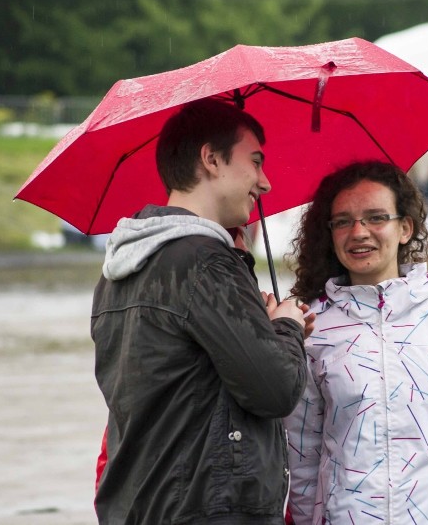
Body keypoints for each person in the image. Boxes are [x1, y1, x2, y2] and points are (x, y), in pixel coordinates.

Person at [91, 98, 314, 524]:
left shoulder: (119, 270)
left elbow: (178, 384)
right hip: (206, 509)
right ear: (210, 159)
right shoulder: (206, 262)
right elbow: (276, 390)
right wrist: (287, 326)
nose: (265, 182)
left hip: (140, 505)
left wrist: (256, 321)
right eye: (256, 161)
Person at [284, 161, 428, 524]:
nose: (359, 232)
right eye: (343, 221)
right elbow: (302, 457)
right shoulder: (312, 326)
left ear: (405, 228)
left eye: (376, 217)